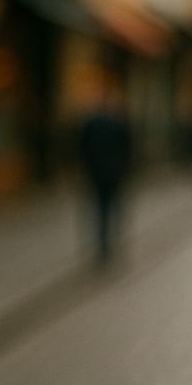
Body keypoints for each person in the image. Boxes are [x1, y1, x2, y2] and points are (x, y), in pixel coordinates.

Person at [78, 77, 132, 265]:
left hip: (96, 172)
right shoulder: (119, 123)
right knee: (112, 206)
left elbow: (81, 147)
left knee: (99, 207)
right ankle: (109, 242)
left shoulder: (91, 123)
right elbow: (128, 148)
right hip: (115, 171)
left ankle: (101, 243)